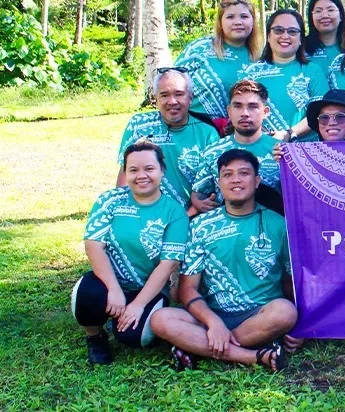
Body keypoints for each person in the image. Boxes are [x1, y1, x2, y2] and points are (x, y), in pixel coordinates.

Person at [149, 150, 297, 373]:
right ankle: (253, 355)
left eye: (244, 173)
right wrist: (214, 323)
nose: (236, 179)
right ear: (218, 183)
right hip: (211, 314)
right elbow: (187, 289)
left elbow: (290, 282)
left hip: (260, 314)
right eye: (227, 175)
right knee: (160, 319)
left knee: (286, 312)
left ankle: (197, 347)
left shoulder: (279, 224)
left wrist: (302, 326)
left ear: (257, 181)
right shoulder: (200, 226)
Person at [74, 142, 188, 365]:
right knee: (86, 295)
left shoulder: (175, 212)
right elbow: (93, 245)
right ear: (125, 172)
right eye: (133, 170)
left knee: (133, 337)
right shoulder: (110, 201)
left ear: (162, 171)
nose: (141, 175)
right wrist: (114, 289)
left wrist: (138, 305)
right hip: (110, 283)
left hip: (148, 289)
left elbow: (168, 263)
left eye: (149, 168)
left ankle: (128, 317)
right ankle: (95, 337)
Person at [116, 68, 219, 205]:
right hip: (146, 212)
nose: (172, 101)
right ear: (155, 98)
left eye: (179, 94)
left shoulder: (207, 133)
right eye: (164, 95)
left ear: (190, 97)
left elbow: (214, 184)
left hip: (193, 215)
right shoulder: (139, 125)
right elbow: (125, 174)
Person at [191, 80, 282, 216]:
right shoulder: (212, 152)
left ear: (265, 111)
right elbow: (198, 194)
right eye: (238, 106)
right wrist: (200, 203)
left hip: (273, 229)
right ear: (229, 111)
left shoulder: (281, 151)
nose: (245, 113)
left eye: (252, 106)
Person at [243, 9, 330, 141]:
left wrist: (289, 133)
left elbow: (321, 112)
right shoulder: (250, 72)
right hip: (260, 147)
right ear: (268, 36)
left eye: (292, 31)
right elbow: (241, 110)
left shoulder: (312, 71)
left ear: (301, 39)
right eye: (278, 30)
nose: (285, 36)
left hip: (304, 151)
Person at [176, 0, 263, 121]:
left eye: (244, 16)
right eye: (230, 17)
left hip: (240, 134)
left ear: (253, 21)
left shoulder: (260, 58)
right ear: (220, 22)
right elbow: (171, 85)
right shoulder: (199, 49)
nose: (238, 22)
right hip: (196, 129)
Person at [302, 0, 345, 78]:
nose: (325, 15)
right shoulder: (301, 48)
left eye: (330, 10)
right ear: (311, 17)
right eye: (318, 11)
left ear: (340, 15)